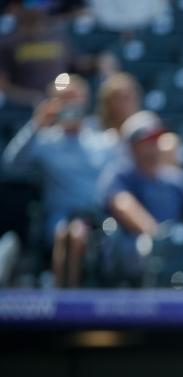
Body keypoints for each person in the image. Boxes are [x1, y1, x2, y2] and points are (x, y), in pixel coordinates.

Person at [2, 73, 120, 288]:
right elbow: (11, 163)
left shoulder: (103, 141)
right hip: (56, 219)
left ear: (85, 101)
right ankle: (62, 297)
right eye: (63, 99)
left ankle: (73, 296)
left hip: (97, 220)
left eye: (74, 98)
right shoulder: (46, 141)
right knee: (67, 234)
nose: (70, 105)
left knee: (78, 233)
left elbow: (118, 181)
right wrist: (36, 124)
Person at [99, 111, 183, 283]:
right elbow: (122, 204)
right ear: (132, 146)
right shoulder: (121, 174)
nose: (153, 146)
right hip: (133, 260)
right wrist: (155, 235)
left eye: (156, 140)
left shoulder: (173, 178)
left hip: (172, 258)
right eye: (147, 141)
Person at [0, 1, 72, 106]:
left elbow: (74, 67)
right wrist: (32, 98)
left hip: (59, 104)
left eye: (41, 3)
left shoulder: (58, 36)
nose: (36, 8)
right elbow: (3, 84)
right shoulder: (7, 42)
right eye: (30, 3)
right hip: (21, 110)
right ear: (15, 8)